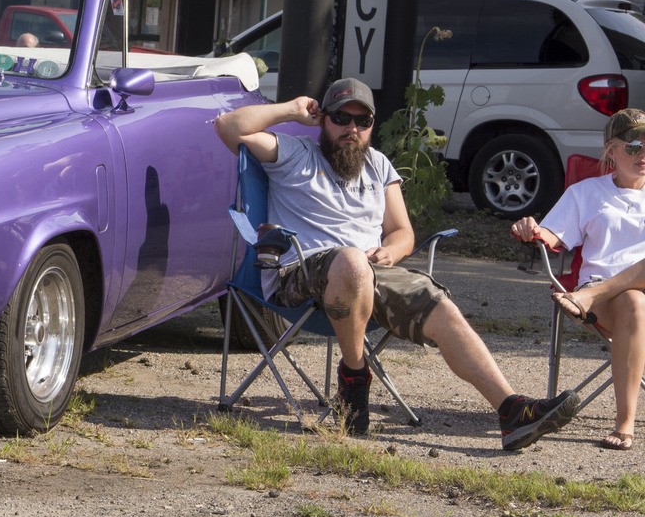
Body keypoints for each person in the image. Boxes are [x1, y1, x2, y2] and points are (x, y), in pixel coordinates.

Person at [214, 77, 579, 449]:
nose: (351, 128)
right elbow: (226, 126)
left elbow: (402, 231)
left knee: (438, 303)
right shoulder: (293, 153)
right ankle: (354, 378)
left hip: (371, 273)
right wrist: (291, 110)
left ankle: (511, 410)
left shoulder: (379, 165)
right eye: (341, 117)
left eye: (362, 121)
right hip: (301, 274)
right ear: (323, 120)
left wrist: (392, 251)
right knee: (353, 261)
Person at [510, 107, 645, 451]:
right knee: (634, 301)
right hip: (614, 307)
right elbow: (550, 237)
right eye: (633, 146)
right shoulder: (587, 193)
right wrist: (530, 228)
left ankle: (591, 295)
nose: (642, 153)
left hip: (590, 299)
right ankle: (625, 422)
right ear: (611, 151)